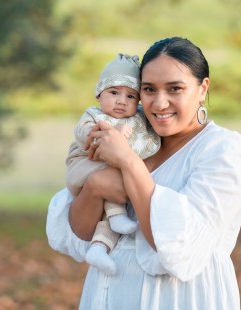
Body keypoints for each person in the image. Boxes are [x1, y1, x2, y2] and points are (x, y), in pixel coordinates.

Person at [46, 37, 241, 309]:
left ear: (202, 88)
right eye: (148, 89)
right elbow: (80, 233)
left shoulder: (222, 150)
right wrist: (96, 185)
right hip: (105, 296)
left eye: (175, 89)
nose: (159, 103)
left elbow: (177, 244)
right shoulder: (132, 138)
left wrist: (128, 163)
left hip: (179, 299)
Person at [65, 53, 161, 275]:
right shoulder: (94, 115)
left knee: (121, 179)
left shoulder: (136, 121)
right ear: (99, 94)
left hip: (105, 178)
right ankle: (116, 214)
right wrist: (107, 133)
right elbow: (83, 134)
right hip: (83, 168)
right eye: (114, 92)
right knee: (120, 175)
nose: (121, 101)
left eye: (130, 96)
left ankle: (99, 248)